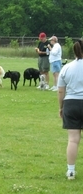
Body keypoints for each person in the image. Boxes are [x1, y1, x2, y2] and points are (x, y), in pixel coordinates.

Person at [57, 39, 83, 180]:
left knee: (73, 140)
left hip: (71, 104)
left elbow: (61, 91)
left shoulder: (67, 68)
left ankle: (71, 171)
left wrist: (61, 107)